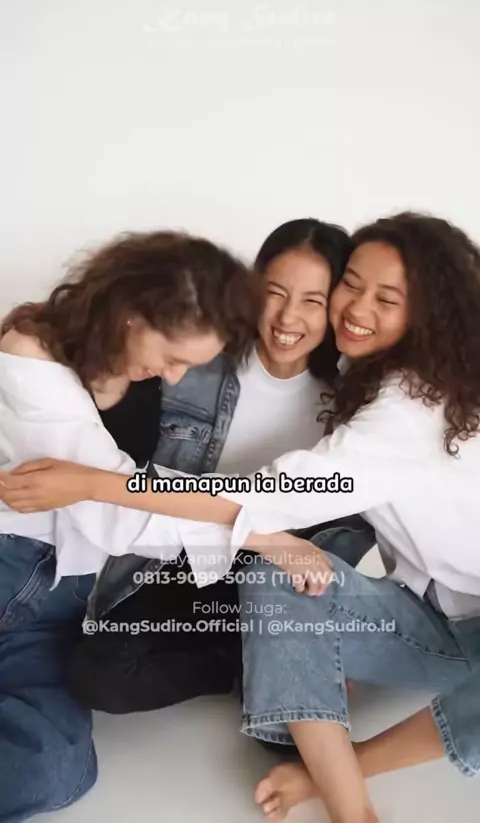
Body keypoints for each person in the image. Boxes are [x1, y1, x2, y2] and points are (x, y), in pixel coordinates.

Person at [7, 213, 480, 823]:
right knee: (266, 583)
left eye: (386, 299)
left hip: (447, 609)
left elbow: (277, 496)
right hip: (411, 610)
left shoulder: (403, 408)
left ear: (429, 313)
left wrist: (96, 483)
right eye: (352, 285)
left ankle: (332, 763)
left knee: (274, 595)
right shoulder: (344, 380)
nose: (355, 308)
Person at [0, 228, 263, 822]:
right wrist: (258, 528)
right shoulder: (29, 355)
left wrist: (253, 523)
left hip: (54, 606)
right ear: (130, 312)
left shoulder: (142, 383)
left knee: (57, 769)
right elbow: (123, 518)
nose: (174, 377)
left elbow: (131, 495)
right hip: (11, 563)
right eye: (172, 357)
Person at [65, 217, 377, 716]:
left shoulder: (354, 403)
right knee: (100, 675)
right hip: (180, 553)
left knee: (289, 739)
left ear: (335, 308)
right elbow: (125, 471)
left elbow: (350, 520)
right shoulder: (191, 364)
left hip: (279, 570)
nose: (288, 317)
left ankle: (272, 658)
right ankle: (239, 663)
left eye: (312, 301)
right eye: (275, 293)